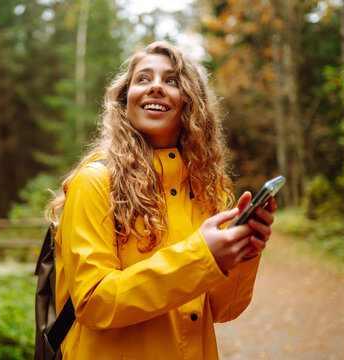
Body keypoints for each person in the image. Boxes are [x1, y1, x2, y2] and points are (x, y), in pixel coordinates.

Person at [45, 41, 277, 360]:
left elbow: (223, 310)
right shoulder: (95, 182)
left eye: (171, 80)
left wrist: (244, 251)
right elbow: (93, 302)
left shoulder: (209, 189)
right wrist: (201, 256)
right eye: (143, 79)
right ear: (126, 100)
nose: (155, 86)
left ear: (190, 103)